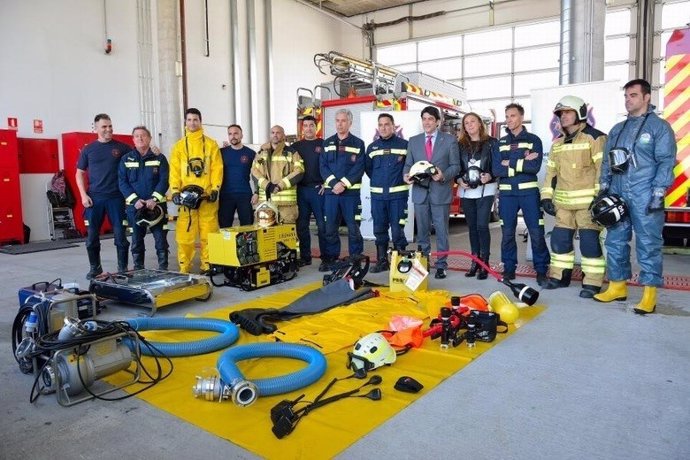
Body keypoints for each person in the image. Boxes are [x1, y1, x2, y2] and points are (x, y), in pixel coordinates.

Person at [593, 79, 676, 314]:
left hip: (645, 193)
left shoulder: (659, 127)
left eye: (633, 95)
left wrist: (659, 192)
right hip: (618, 193)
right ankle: (618, 286)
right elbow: (608, 162)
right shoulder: (617, 129)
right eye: (626, 96)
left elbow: (665, 161)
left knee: (648, 243)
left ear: (647, 97)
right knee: (615, 240)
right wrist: (604, 188)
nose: (628, 100)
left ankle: (649, 293)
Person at [541, 96, 607, 298]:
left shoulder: (595, 138)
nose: (563, 117)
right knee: (560, 242)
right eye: (561, 114)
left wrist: (600, 196)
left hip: (588, 205)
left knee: (589, 243)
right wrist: (546, 197)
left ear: (580, 113)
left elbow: (601, 171)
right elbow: (551, 174)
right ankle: (559, 277)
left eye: (568, 112)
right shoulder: (557, 144)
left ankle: (592, 283)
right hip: (563, 204)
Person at [492, 103, 550, 285]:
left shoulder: (533, 140)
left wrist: (508, 163)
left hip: (529, 194)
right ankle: (509, 268)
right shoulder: (500, 142)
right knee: (507, 233)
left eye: (513, 116)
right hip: (507, 196)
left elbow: (534, 167)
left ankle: (541, 269)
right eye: (507, 116)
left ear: (521, 117)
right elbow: (496, 170)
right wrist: (521, 161)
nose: (509, 120)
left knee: (536, 232)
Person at [403, 106, 461, 279]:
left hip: (440, 191)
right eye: (424, 119)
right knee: (422, 231)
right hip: (420, 192)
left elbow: (456, 166)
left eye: (430, 119)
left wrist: (444, 175)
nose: (427, 122)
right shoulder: (413, 141)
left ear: (437, 121)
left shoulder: (449, 140)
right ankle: (423, 263)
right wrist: (406, 175)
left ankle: (442, 265)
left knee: (442, 230)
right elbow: (408, 164)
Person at [75, 113, 131, 279]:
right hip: (95, 199)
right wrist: (83, 195)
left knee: (121, 237)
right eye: (104, 127)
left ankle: (123, 269)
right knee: (92, 238)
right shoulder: (88, 150)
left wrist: (153, 149)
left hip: (116, 199)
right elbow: (79, 173)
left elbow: (139, 156)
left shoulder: (122, 148)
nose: (108, 129)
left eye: (110, 126)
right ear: (96, 128)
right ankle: (95, 268)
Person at [170, 108, 222, 274]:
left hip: (207, 199)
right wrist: (176, 192)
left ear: (200, 121)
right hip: (187, 201)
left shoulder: (211, 145)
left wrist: (215, 189)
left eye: (195, 120)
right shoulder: (178, 147)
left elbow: (216, 168)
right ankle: (184, 267)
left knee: (209, 235)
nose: (192, 123)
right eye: (189, 120)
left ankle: (208, 265)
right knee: (185, 237)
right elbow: (175, 171)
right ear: (185, 122)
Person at [118, 126, 170, 270]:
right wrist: (135, 201)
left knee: (161, 240)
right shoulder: (126, 159)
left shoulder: (159, 158)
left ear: (149, 138)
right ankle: (138, 269)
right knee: (136, 241)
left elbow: (164, 180)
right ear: (133, 139)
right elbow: (122, 182)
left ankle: (163, 269)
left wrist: (154, 199)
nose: (140, 138)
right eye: (137, 136)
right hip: (135, 208)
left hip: (157, 207)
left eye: (143, 135)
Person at [320, 109, 366, 269]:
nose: (340, 124)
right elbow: (323, 166)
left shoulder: (358, 143)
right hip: (331, 194)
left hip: (350, 194)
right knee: (330, 228)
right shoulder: (327, 143)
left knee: (353, 229)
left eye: (343, 121)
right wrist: (334, 184)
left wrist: (344, 184)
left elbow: (359, 167)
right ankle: (331, 259)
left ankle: (355, 259)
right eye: (337, 120)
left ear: (350, 123)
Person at [365, 113, 409, 273]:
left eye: (387, 124)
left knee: (397, 230)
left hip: (398, 197)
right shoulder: (372, 148)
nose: (383, 127)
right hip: (378, 198)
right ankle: (382, 261)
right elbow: (369, 170)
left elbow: (408, 167)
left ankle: (400, 263)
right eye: (381, 125)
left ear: (393, 126)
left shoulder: (405, 145)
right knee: (379, 229)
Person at [456, 112, 497, 280]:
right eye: (466, 123)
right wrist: (458, 179)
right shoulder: (460, 145)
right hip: (466, 190)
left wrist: (491, 176)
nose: (470, 125)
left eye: (473, 121)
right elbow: (456, 166)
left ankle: (484, 263)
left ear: (480, 123)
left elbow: (497, 166)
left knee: (482, 225)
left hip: (486, 190)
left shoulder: (492, 143)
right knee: (472, 227)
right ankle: (475, 261)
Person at [293, 115, 328, 270]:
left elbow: (331, 165)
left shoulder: (324, 144)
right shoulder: (295, 147)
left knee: (322, 226)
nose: (308, 128)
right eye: (305, 125)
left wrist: (326, 183)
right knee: (301, 226)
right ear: (302, 128)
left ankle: (326, 258)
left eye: (311, 125)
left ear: (316, 127)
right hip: (301, 191)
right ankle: (305, 257)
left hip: (318, 191)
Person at [251, 125, 304, 224]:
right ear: (270, 135)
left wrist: (280, 186)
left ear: (283, 136)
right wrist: (267, 186)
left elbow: (299, 171)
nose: (275, 135)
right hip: (265, 204)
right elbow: (254, 172)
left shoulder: (292, 153)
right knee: (265, 236)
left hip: (286, 206)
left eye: (278, 132)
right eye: (273, 132)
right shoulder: (261, 153)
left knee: (286, 236)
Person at [219, 124, 257, 227]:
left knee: (247, 227)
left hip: (245, 195)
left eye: (236, 133)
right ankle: (226, 244)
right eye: (230, 134)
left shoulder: (251, 153)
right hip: (226, 195)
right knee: (224, 228)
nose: (233, 136)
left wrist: (256, 192)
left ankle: (245, 244)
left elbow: (257, 175)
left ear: (241, 135)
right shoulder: (221, 153)